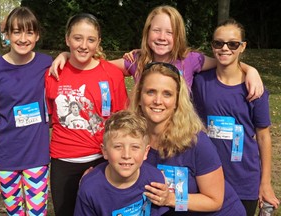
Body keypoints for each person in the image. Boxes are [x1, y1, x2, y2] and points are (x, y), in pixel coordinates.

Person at [50, 5, 263, 101]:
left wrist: (250, 70)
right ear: (147, 32)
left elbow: (224, 61)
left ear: (178, 35)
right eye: (157, 30)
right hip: (146, 138)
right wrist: (67, 55)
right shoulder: (136, 61)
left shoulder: (190, 59)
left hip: (179, 135)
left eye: (169, 32)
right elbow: (97, 63)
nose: (162, 37)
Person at [128, 62, 246, 215]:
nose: (158, 101)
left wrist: (170, 199)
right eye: (150, 92)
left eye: (167, 94)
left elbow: (215, 201)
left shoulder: (196, 142)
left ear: (177, 101)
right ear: (138, 97)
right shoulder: (132, 138)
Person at [192, 18, 280, 216]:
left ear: (243, 47)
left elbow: (264, 136)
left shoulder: (254, 88)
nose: (225, 48)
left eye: (232, 44)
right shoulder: (200, 83)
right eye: (218, 43)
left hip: (243, 181)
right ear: (212, 46)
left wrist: (265, 183)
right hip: (206, 178)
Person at [45, 13, 128, 216]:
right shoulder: (54, 74)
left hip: (102, 159)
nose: (83, 45)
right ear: (67, 39)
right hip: (64, 162)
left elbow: (120, 121)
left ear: (98, 42)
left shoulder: (112, 74)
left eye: (91, 40)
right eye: (77, 38)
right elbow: (45, 119)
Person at [0, 7, 52, 215]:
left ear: (36, 35)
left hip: (36, 156)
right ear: (7, 34)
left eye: (29, 32)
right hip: (5, 158)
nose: (23, 38)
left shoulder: (47, 64)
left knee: (37, 213)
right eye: (17, 32)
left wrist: (63, 55)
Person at [74, 110, 169, 216]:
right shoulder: (90, 188)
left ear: (146, 152)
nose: (126, 155)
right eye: (118, 147)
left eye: (135, 147)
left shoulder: (155, 181)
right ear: (104, 151)